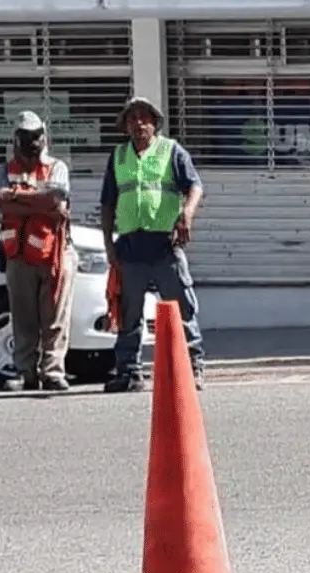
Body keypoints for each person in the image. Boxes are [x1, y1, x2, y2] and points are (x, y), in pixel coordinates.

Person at [100, 96, 206, 393]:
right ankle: (129, 372)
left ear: (155, 123)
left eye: (144, 118)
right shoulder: (119, 156)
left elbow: (195, 186)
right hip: (130, 246)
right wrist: (108, 244)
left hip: (164, 245)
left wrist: (186, 214)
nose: (138, 124)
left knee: (181, 307)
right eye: (132, 119)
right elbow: (108, 203)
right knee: (128, 313)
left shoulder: (171, 151)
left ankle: (193, 368)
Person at [0, 110, 75, 391]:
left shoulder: (57, 168)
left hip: (55, 251)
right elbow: (1, 203)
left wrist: (16, 196)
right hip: (18, 254)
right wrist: (35, 202)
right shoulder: (4, 170)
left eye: (36, 136)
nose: (31, 142)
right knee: (23, 316)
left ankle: (52, 371)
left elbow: (56, 200)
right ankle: (25, 372)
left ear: (45, 137)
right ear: (15, 139)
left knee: (55, 316)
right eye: (25, 137)